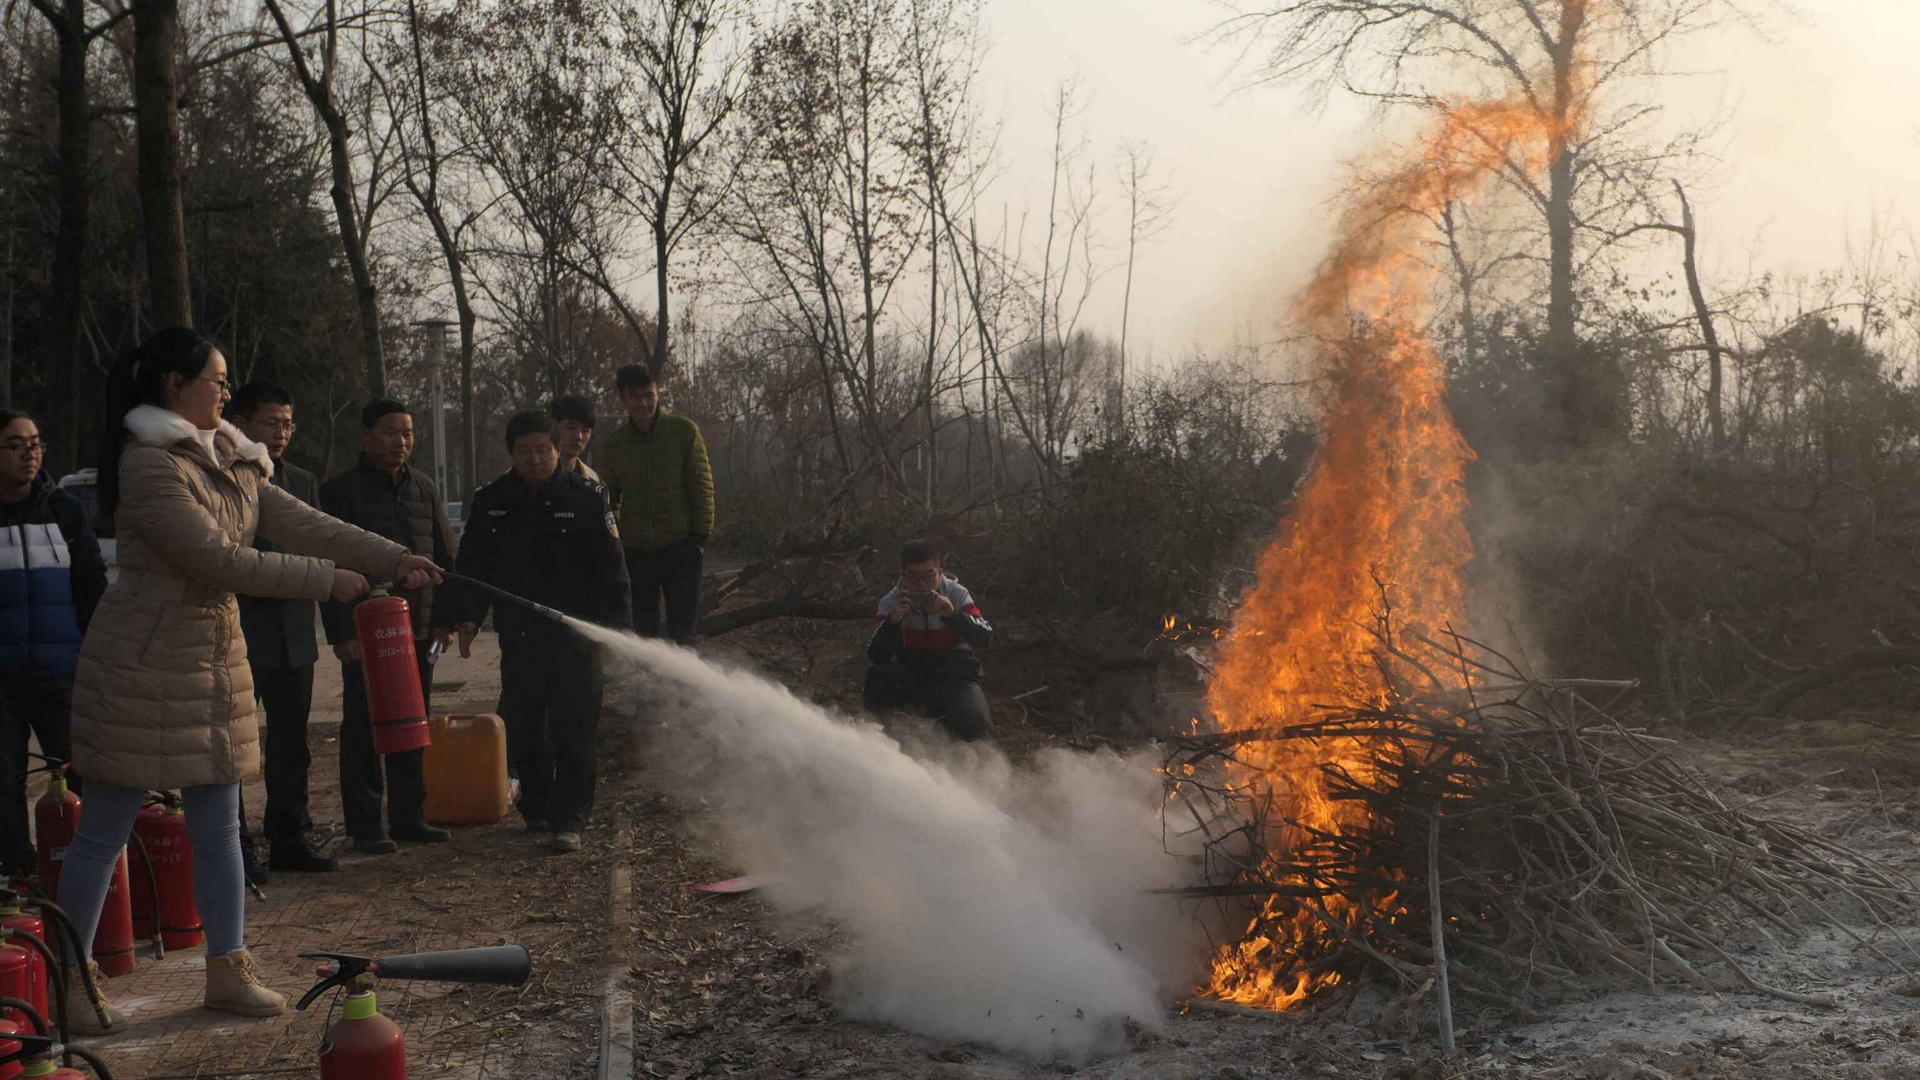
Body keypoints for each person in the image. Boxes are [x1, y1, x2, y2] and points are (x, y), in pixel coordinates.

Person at [61, 327, 441, 1029]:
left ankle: (227, 968)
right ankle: (73, 978)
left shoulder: (230, 456)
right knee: (104, 829)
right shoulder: (149, 465)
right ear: (176, 387)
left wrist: (394, 558)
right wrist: (330, 582)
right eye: (217, 380)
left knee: (220, 825)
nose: (227, 392)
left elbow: (302, 522)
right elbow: (219, 561)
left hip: (212, 662)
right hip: (141, 665)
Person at [442, 410, 630, 854]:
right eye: (524, 451)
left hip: (577, 638)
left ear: (556, 449)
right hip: (521, 636)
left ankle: (571, 819)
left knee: (574, 727)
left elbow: (613, 571)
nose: (534, 459)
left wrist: (620, 632)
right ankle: (538, 805)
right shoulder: (491, 501)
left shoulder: (587, 498)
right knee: (523, 725)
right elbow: (472, 566)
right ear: (511, 453)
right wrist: (466, 618)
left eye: (542, 450)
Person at [319, 399, 458, 856]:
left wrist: (445, 621)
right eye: (390, 432)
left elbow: (444, 556)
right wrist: (341, 633)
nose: (401, 441)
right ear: (365, 435)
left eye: (407, 433)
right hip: (368, 632)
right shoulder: (340, 492)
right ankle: (365, 825)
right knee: (362, 725)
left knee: (413, 723)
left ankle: (409, 817)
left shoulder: (423, 488)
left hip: (419, 629)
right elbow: (328, 563)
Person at [227, 383, 334, 877]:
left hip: (294, 636)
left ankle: (289, 836)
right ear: (243, 423)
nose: (281, 433)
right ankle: (237, 848)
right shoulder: (224, 477)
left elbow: (317, 547)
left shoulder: (302, 481)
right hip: (242, 633)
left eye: (288, 424)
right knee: (236, 749)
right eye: (271, 422)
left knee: (292, 746)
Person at [0, 410, 106, 878]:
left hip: (63, 676)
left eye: (36, 442)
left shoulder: (63, 510)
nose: (29, 452)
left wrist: (96, 654)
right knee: (5, 783)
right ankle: (18, 875)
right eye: (16, 443)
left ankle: (84, 872)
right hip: (2, 682)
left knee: (80, 775)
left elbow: (91, 587)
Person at [597, 365, 713, 644]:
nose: (643, 403)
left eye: (649, 395)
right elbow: (609, 499)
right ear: (623, 398)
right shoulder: (615, 444)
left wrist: (699, 535)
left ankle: (685, 685)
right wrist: (616, 539)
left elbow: (701, 484)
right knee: (643, 627)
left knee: (683, 627)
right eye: (635, 397)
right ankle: (648, 687)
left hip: (681, 544)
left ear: (658, 393)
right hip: (636, 550)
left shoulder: (684, 432)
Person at [864, 539, 992, 742]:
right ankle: (880, 746)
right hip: (910, 674)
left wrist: (953, 616)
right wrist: (893, 622)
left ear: (940, 572)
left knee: (973, 720)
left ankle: (949, 743)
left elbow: (984, 637)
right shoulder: (890, 601)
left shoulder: (957, 594)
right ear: (902, 575)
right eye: (912, 576)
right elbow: (875, 655)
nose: (921, 584)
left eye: (929, 576)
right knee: (879, 679)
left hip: (953, 675)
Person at [549, 393, 601, 485]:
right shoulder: (538, 474)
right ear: (554, 426)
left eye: (585, 430)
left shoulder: (592, 479)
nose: (578, 436)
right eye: (571, 428)